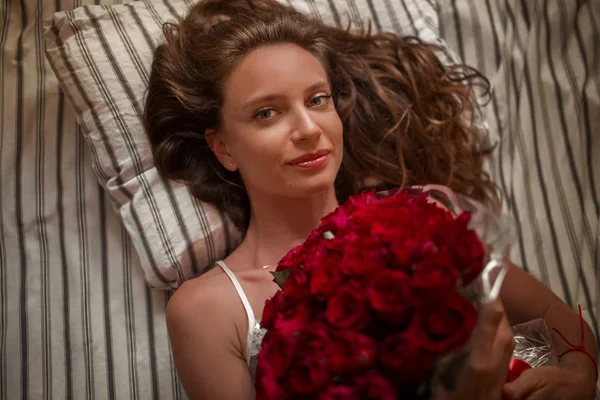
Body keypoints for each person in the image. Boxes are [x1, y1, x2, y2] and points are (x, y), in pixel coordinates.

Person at [143, 1, 598, 399]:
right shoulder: (207, 310)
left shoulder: (428, 212)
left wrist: (579, 374)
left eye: (318, 100)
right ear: (222, 147)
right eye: (268, 113)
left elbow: (561, 320)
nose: (307, 129)